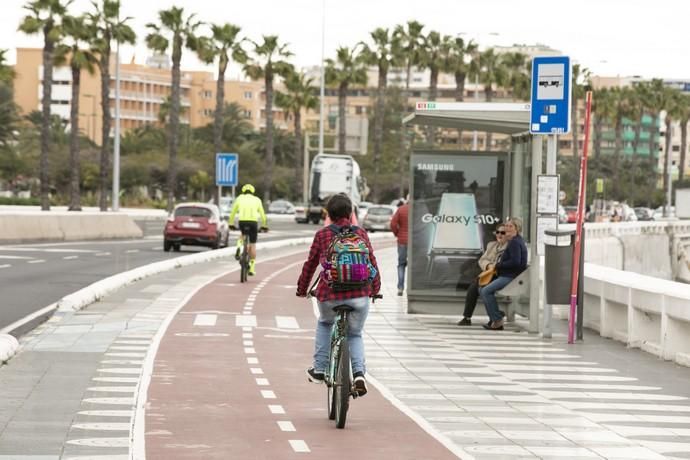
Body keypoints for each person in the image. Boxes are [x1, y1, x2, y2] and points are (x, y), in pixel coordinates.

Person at [296, 193, 381, 397]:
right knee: (354, 333)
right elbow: (372, 262)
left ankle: (319, 370)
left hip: (330, 295)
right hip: (359, 295)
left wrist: (302, 289)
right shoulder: (361, 233)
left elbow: (310, 265)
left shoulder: (323, 235)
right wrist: (375, 290)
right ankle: (359, 374)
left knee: (325, 323)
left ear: (329, 214)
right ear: (350, 214)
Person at [479, 218, 527, 331]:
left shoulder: (515, 242)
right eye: (506, 225)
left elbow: (515, 262)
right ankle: (496, 318)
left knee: (485, 291)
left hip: (511, 277)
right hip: (509, 275)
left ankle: (497, 319)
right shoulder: (516, 240)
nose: (507, 228)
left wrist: (498, 265)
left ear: (517, 228)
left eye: (511, 226)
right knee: (482, 289)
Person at [457, 224, 508, 326]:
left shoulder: (509, 247)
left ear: (508, 234)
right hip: (488, 273)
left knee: (483, 289)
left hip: (499, 275)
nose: (499, 235)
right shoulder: (491, 245)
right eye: (498, 232)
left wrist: (493, 266)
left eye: (503, 233)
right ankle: (467, 317)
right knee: (473, 288)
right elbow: (482, 260)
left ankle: (494, 316)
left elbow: (504, 263)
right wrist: (489, 265)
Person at [228, 184, 268, 276]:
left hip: (242, 221)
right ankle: (252, 268)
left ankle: (238, 246)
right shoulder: (257, 200)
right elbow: (263, 215)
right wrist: (264, 225)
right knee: (252, 244)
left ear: (243, 191)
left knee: (243, 234)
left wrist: (231, 224)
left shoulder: (239, 198)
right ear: (253, 192)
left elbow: (233, 212)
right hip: (253, 222)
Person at [390, 198, 409, 296]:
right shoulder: (419, 210)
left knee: (401, 264)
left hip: (402, 241)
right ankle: (412, 287)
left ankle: (400, 288)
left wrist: (397, 233)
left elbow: (393, 223)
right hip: (415, 241)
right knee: (414, 266)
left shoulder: (401, 209)